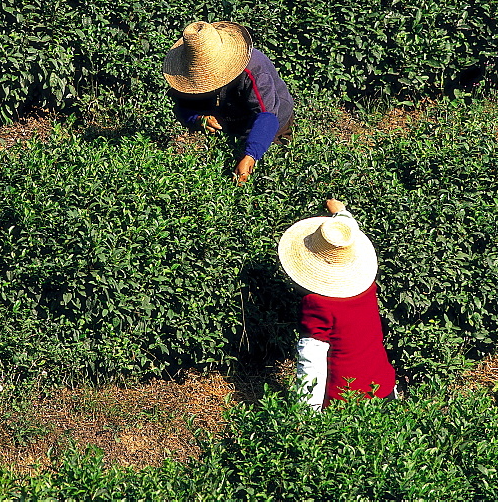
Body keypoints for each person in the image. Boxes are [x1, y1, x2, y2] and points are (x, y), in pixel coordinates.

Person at [277, 198, 397, 410]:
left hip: (347, 403)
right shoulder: (366, 285)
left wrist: (306, 418)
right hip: (384, 389)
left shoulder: (316, 303)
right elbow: (345, 236)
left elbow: (311, 364)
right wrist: (341, 212)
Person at [163, 21, 294, 184]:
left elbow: (267, 116)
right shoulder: (186, 73)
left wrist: (250, 155)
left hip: (271, 124)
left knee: (269, 176)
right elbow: (182, 107)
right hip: (231, 123)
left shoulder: (254, 70)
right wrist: (198, 119)